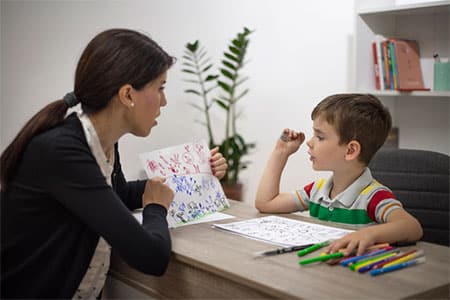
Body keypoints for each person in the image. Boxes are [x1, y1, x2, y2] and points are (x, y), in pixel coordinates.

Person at [0, 28, 227, 299]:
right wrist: (155, 207)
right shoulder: (62, 151)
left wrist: (193, 177)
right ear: (128, 95)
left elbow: (114, 196)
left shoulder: (101, 143)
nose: (164, 101)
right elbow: (150, 256)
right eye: (160, 88)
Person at [255, 93, 423, 256]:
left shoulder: (373, 197)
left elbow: (412, 226)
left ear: (350, 150)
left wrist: (368, 234)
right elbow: (266, 203)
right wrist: (280, 153)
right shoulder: (317, 191)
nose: (309, 142)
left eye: (320, 137)